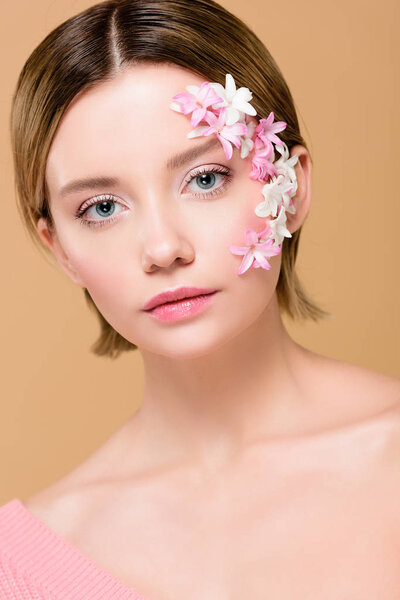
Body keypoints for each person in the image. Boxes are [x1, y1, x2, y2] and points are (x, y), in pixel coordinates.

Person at [1, 0, 399, 598]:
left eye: (206, 178)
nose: (163, 248)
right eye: (102, 208)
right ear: (58, 247)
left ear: (290, 188)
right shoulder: (23, 566)